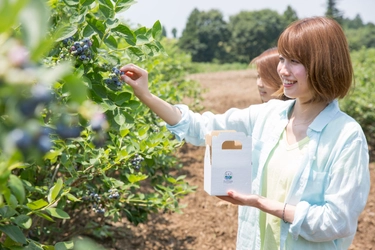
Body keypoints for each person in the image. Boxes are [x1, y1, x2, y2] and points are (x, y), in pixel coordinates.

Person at [120, 16, 370, 250]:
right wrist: (146, 95)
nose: (283, 70)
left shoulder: (345, 136)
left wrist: (260, 203)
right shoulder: (269, 115)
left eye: (295, 61)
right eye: (282, 59)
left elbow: (336, 222)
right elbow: (199, 127)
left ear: (324, 65)